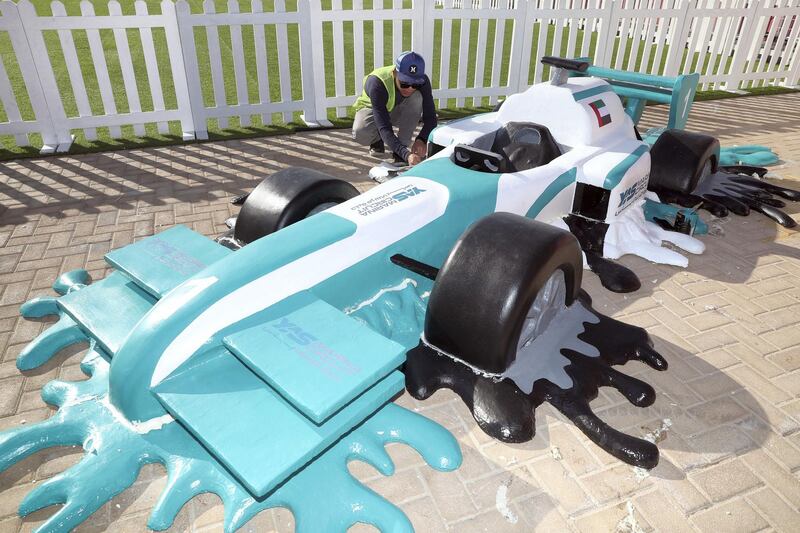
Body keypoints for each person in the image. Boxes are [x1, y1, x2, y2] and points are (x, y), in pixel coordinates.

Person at [352, 51, 437, 167]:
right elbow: (384, 127)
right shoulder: (376, 83)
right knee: (360, 133)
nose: (410, 88)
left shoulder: (424, 81)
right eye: (404, 83)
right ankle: (377, 140)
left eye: (415, 84)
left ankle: (399, 150)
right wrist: (406, 155)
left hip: (396, 111)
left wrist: (421, 139)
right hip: (373, 111)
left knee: (417, 97)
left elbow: (431, 117)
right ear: (395, 72)